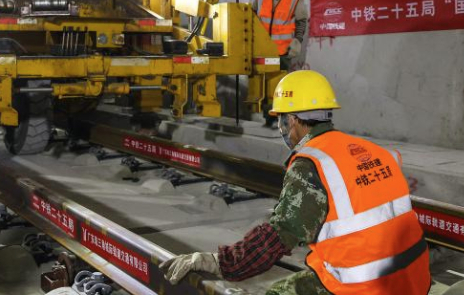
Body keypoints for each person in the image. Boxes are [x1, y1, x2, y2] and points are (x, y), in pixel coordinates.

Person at [161, 70, 431, 295]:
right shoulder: (371, 150)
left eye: (281, 120)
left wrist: (219, 262)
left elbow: (275, 239)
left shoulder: (311, 164)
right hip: (414, 279)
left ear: (292, 120)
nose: (282, 128)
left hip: (364, 288)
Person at [252, 0, 308, 128]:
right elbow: (252, 16)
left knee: (279, 86)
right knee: (263, 84)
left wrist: (297, 40)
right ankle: (268, 117)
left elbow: (301, 20)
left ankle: (281, 119)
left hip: (282, 50)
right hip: (262, 49)